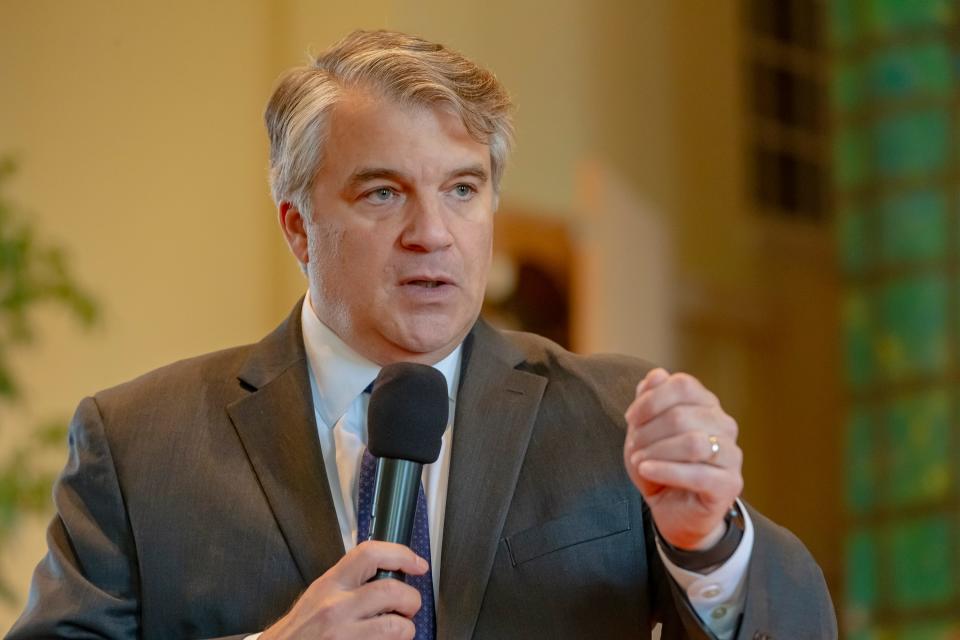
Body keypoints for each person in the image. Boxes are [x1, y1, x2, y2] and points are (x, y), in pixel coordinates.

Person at [6, 30, 836, 640]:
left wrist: (709, 547)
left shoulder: (612, 414)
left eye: (463, 190)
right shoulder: (139, 445)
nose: (432, 234)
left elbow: (794, 620)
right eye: (382, 194)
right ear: (298, 228)